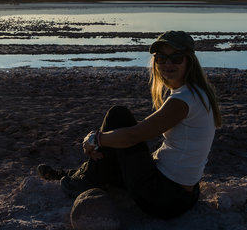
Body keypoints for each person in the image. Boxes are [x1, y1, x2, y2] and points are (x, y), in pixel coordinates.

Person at [38, 30, 222, 219]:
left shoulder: (182, 100)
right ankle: (82, 173)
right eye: (161, 58)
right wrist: (111, 141)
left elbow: (135, 135)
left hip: (165, 197)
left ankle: (87, 177)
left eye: (176, 58)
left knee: (118, 115)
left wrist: (95, 138)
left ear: (189, 61)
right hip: (185, 194)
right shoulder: (197, 92)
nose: (168, 64)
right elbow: (141, 131)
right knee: (119, 142)